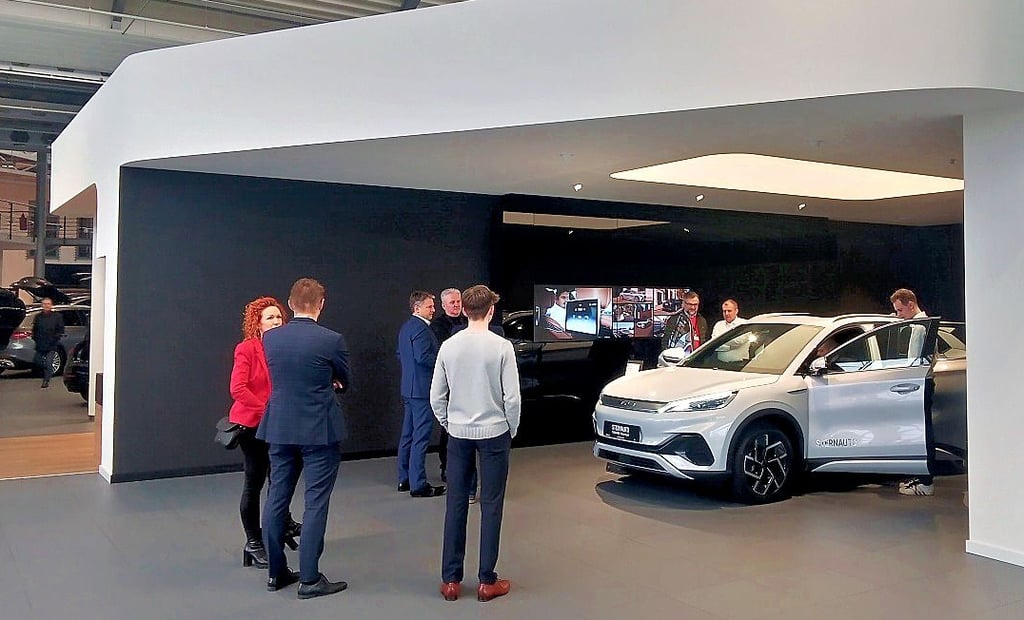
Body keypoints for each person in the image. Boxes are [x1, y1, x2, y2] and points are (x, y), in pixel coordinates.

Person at [258, 278, 351, 599]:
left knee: (276, 498)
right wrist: (331, 381)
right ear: (321, 304)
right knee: (316, 502)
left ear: (290, 303)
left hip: (280, 427)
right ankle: (309, 579)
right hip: (319, 430)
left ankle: (276, 572)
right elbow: (344, 378)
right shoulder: (331, 340)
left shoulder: (271, 338)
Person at [430, 285, 521, 603]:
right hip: (495, 432)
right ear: (491, 311)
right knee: (491, 504)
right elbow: (512, 398)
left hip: (458, 434)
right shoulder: (502, 347)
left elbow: (436, 396)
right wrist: (511, 428)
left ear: (465, 310)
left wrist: (449, 422)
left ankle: (450, 580)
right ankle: (486, 580)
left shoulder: (449, 346)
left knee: (456, 503)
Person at [228, 296, 301, 570]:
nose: (276, 321)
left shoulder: (284, 348)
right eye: (270, 317)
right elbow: (238, 389)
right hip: (253, 425)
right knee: (255, 482)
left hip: (278, 423)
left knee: (279, 477)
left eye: (279, 317)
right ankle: (253, 542)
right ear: (257, 323)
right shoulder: (246, 349)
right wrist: (268, 409)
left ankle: (282, 524)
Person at [397, 291, 446, 498]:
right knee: (420, 437)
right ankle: (418, 485)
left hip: (409, 388)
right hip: (422, 390)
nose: (433, 310)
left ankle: (404, 478)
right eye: (429, 306)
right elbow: (423, 357)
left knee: (408, 435)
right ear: (417, 308)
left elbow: (401, 354)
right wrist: (443, 362)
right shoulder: (421, 328)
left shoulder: (406, 327)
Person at [890, 288, 936, 497]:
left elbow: (916, 361)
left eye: (900, 310)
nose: (898, 315)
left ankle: (925, 483)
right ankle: (921, 477)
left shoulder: (919, 328)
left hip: (919, 385)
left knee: (922, 433)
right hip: (924, 383)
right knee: (919, 432)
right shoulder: (923, 324)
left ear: (911, 304)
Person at [430, 288, 466, 483]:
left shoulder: (468, 321)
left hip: (467, 380)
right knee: (449, 427)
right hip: (450, 381)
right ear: (443, 305)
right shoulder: (437, 327)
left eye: (458, 301)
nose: (456, 305)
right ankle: (446, 467)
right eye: (452, 302)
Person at [32, 297, 64, 388]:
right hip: (40, 344)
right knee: (37, 361)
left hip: (52, 344)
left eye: (48, 304)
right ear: (42, 305)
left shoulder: (57, 316)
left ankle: (46, 380)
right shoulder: (38, 317)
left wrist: (56, 338)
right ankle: (45, 370)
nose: (46, 305)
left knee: (49, 362)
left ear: (51, 305)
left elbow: (60, 329)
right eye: (44, 304)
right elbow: (35, 329)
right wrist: (35, 338)